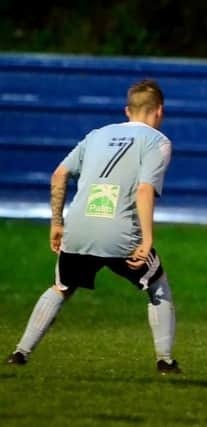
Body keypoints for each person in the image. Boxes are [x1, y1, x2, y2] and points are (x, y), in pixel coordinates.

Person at [6, 79, 180, 375]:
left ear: (127, 110)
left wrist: (57, 224)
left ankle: (20, 353)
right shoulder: (158, 141)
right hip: (120, 234)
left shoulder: (96, 134)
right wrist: (147, 239)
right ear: (160, 111)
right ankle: (165, 361)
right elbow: (144, 190)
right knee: (157, 283)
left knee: (62, 287)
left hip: (79, 228)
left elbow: (59, 174)